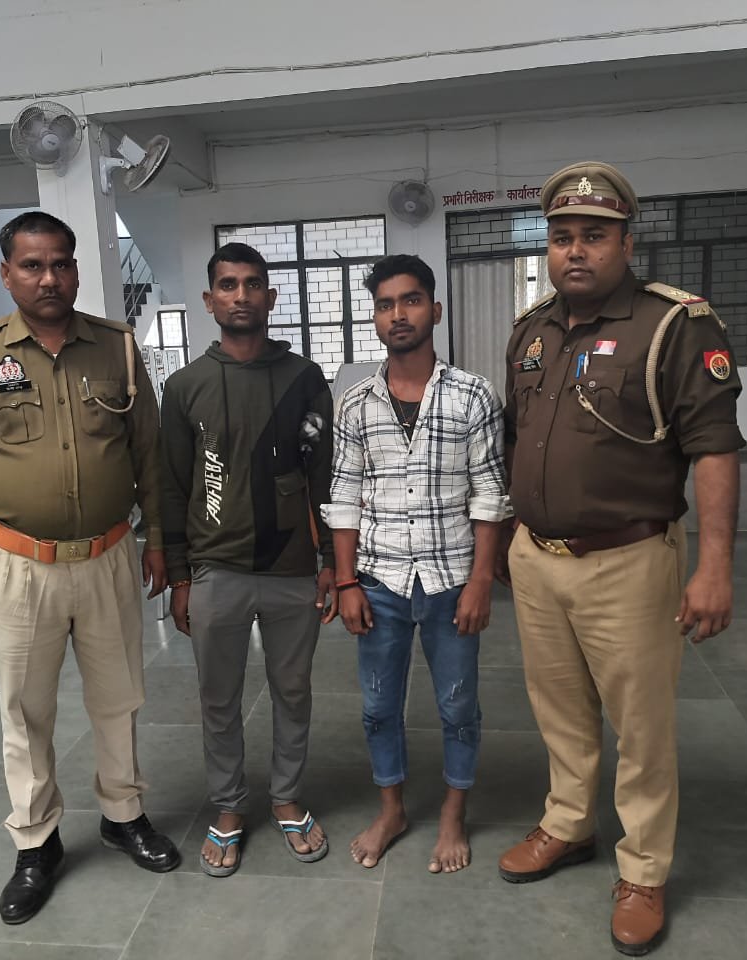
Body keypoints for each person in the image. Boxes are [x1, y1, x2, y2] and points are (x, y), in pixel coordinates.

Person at [496, 162, 743, 956]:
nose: (575, 251)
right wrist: (513, 533)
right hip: (538, 558)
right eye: (562, 236)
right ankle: (569, 824)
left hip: (629, 561)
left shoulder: (673, 326)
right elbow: (519, 439)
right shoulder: (531, 330)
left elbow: (714, 448)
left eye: (594, 236)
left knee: (641, 727)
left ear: (627, 243)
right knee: (559, 710)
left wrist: (715, 567)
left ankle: (643, 870)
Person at [0, 211, 181, 926]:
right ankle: (36, 841)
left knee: (119, 697)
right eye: (32, 266)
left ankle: (123, 815)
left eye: (61, 264)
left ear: (75, 269)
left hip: (108, 556)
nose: (49, 279)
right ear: (6, 274)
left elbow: (148, 454)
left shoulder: (117, 347)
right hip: (18, 564)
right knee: (25, 709)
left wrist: (159, 540)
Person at [324, 254, 508, 875]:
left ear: (435, 309)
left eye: (410, 300)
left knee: (457, 706)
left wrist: (481, 581)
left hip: (452, 580)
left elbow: (489, 493)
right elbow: (344, 497)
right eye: (385, 304)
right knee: (379, 707)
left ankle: (454, 814)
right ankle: (392, 810)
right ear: (374, 317)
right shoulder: (355, 403)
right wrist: (346, 581)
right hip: (379, 581)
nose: (398, 314)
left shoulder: (472, 395)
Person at [160, 241, 338, 877]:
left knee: (293, 690)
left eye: (253, 284)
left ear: (271, 296)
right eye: (229, 285)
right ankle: (229, 805)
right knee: (219, 698)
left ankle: (287, 796)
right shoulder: (185, 387)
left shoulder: (304, 379)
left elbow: (324, 476)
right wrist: (179, 575)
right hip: (216, 570)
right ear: (210, 300)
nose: (241, 295)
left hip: (293, 569)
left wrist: (329, 561)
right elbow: (172, 486)